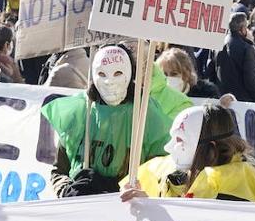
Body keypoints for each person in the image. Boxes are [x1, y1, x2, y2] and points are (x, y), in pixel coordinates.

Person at [42, 45, 174, 197]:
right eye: (102, 74)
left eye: (117, 73)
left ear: (129, 72)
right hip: (80, 208)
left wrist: (138, 192)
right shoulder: (79, 111)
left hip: (126, 209)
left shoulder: (147, 115)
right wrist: (66, 190)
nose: (109, 81)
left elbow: (162, 173)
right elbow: (59, 169)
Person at [121, 101, 255, 202]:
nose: (167, 148)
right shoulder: (165, 166)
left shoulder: (236, 184)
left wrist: (152, 209)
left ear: (210, 148)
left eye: (179, 140)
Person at [215, 12, 255, 103]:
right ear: (243, 28)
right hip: (242, 101)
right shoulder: (247, 48)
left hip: (222, 98)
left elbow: (211, 72)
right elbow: (250, 80)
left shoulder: (218, 44)